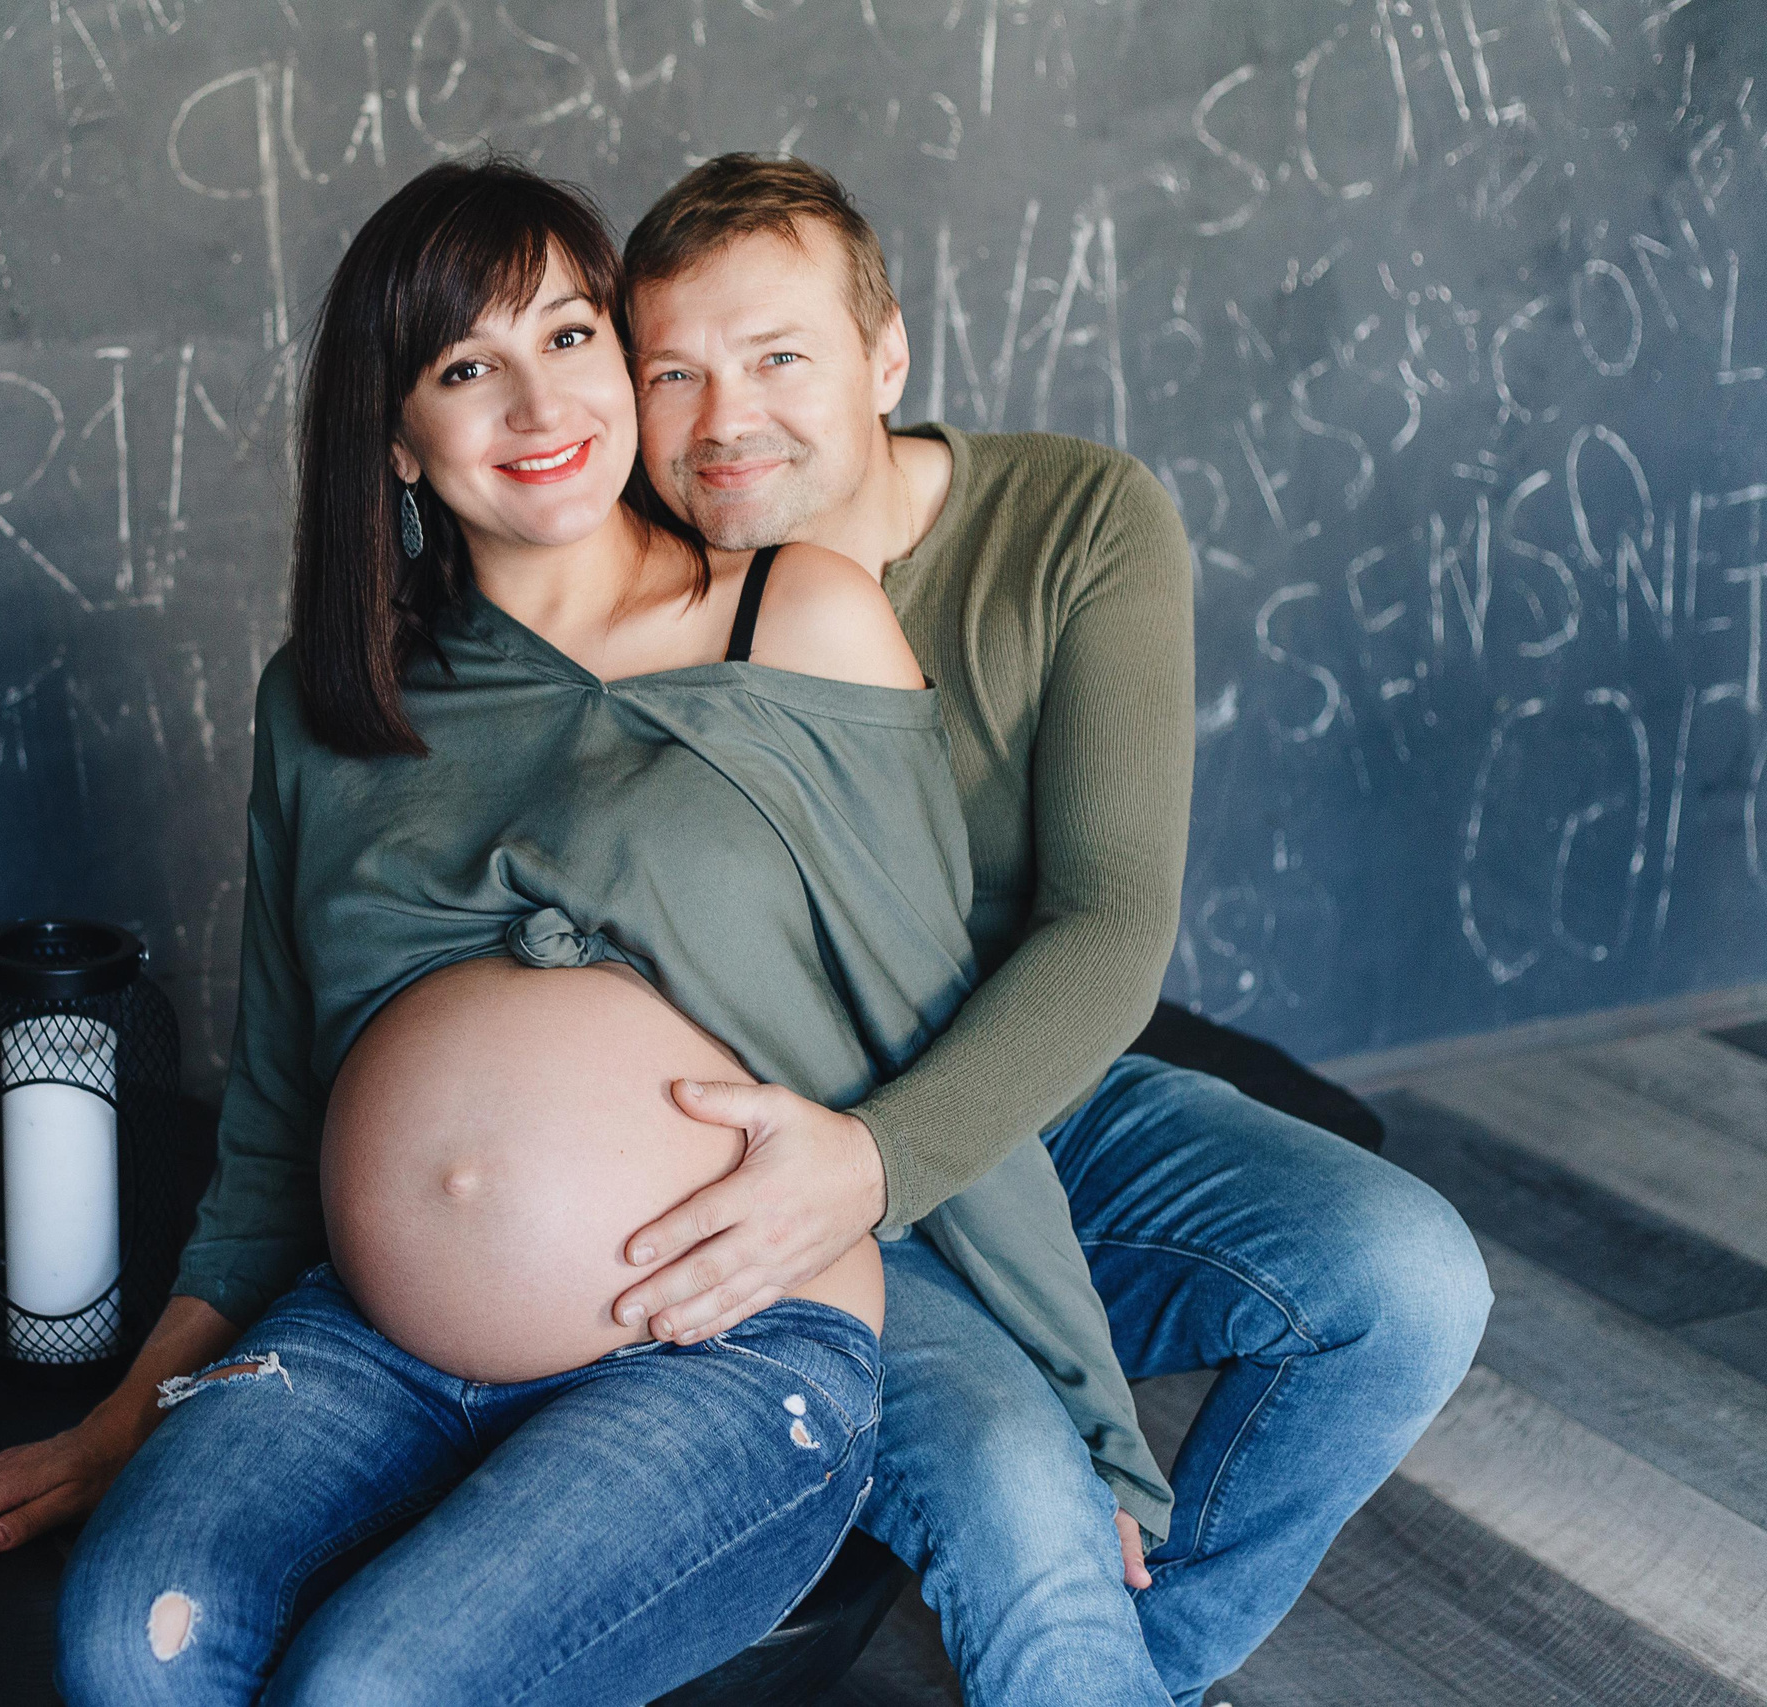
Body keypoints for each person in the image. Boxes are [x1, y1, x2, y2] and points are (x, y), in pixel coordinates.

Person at [0, 156, 1166, 1702]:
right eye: (466, 368)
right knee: (131, 1640)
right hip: (370, 1335)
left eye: (567, 339)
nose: (540, 411)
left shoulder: (797, 614)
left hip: (721, 1340)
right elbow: (278, 1125)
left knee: (371, 1684)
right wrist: (118, 1423)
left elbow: (923, 1010)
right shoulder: (333, 706)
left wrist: (1093, 1425)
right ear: (399, 441)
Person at [603, 153, 1496, 1706]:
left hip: (1033, 1103)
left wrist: (889, 1160)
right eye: (670, 370)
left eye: (779, 356)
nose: (721, 418)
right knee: (1022, 1485)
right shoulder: (618, 575)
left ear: (889, 357)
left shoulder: (1077, 516)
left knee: (1412, 1282)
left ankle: (1126, 1669)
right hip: (757, 1154)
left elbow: (1108, 922)